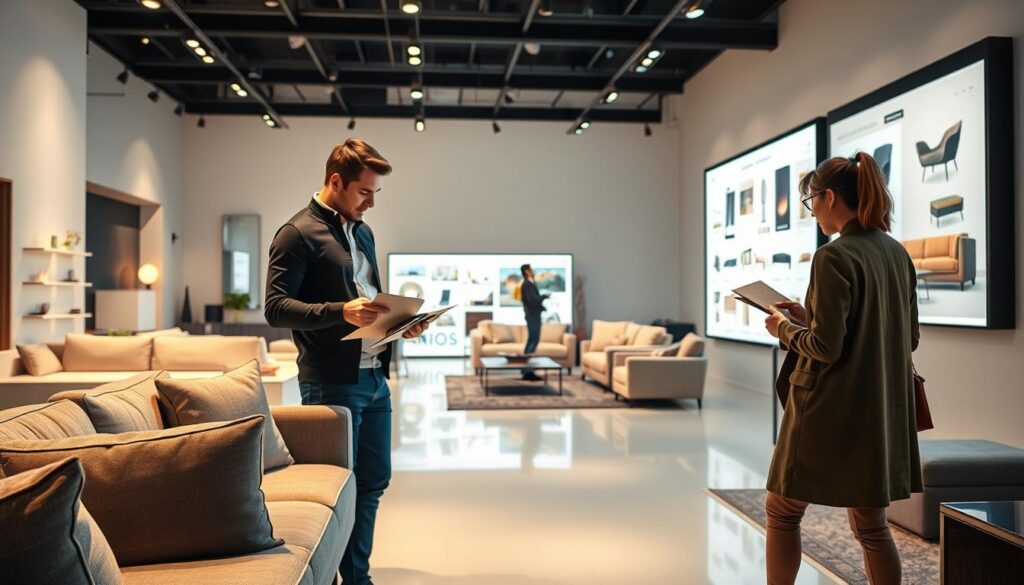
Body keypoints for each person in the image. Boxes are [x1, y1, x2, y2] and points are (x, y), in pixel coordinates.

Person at [265, 139, 429, 585]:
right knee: (340, 488)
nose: (371, 203)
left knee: (374, 483)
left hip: (375, 378)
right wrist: (340, 310)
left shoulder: (363, 232)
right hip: (332, 383)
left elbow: (368, 302)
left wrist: (400, 325)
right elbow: (276, 309)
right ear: (335, 181)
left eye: (376, 193)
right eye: (364, 192)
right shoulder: (295, 234)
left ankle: (356, 576)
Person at [763, 152, 921, 585]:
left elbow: (824, 348)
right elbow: (908, 340)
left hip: (825, 410)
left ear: (829, 197)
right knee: (872, 526)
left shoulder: (832, 257)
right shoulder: (896, 254)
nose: (812, 210)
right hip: (877, 412)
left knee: (781, 510)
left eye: (811, 200)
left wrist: (783, 327)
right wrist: (805, 316)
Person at [518, 264, 549, 381]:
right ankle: (527, 371)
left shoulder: (531, 283)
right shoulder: (527, 284)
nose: (534, 271)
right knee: (533, 341)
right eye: (532, 269)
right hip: (532, 316)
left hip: (534, 315)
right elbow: (532, 300)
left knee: (532, 341)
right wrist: (544, 297)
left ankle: (527, 370)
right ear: (527, 271)